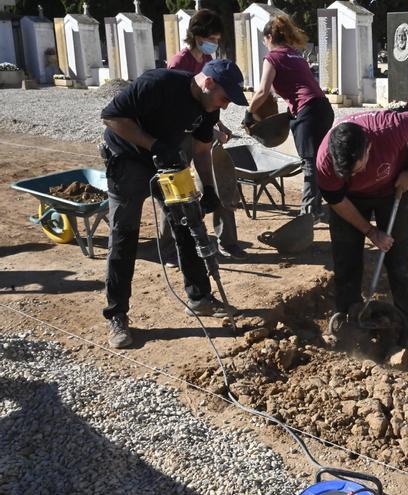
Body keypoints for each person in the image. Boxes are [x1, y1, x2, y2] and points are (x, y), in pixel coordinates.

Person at [100, 59, 249, 349]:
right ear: (208, 83)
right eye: (224, 97)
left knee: (188, 225)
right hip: (127, 159)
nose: (226, 106)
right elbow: (112, 118)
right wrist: (154, 144)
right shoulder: (157, 84)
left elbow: (202, 150)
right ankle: (117, 314)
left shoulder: (209, 106)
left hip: (168, 161)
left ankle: (199, 298)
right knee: (124, 235)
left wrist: (207, 188)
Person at [316, 109, 408, 361]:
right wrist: (370, 231)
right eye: (349, 173)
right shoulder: (324, 162)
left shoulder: (390, 129)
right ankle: (348, 319)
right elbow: (337, 200)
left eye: (359, 168)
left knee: (398, 258)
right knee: (346, 259)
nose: (357, 175)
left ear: (369, 147)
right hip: (350, 201)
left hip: (393, 190)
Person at [160, 8, 246, 263]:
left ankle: (227, 241)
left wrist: (218, 126)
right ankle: (170, 247)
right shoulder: (179, 63)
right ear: (198, 35)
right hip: (178, 136)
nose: (215, 43)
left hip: (201, 130)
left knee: (218, 183)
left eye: (218, 40)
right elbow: (174, 106)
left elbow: (209, 101)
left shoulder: (207, 63)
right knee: (176, 189)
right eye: (213, 38)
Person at [243, 14, 334, 222]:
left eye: (264, 40)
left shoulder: (273, 57)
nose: (264, 44)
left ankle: (310, 212)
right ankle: (323, 205)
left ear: (268, 37)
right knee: (319, 160)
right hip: (323, 108)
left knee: (310, 162)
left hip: (309, 111)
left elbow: (262, 91)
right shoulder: (295, 54)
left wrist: (248, 113)